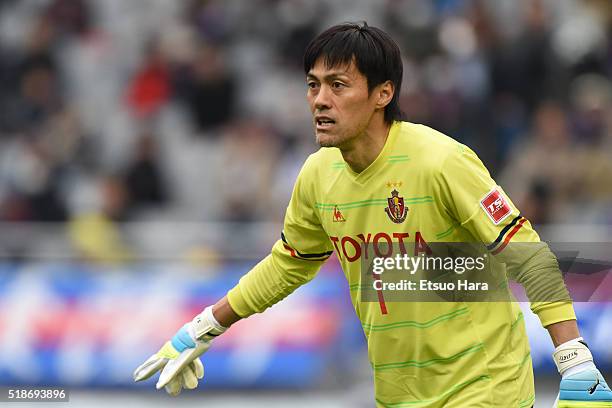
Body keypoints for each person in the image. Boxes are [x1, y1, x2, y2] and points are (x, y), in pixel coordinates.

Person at [133, 22, 612, 407]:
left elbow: (526, 251)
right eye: (313, 85)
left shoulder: (441, 160)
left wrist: (573, 358)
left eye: (338, 85)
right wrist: (205, 326)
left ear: (383, 93)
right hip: (398, 394)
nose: (320, 100)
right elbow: (288, 263)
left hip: (483, 389)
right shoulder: (318, 176)